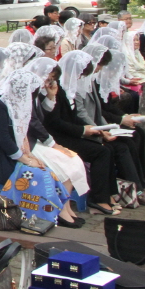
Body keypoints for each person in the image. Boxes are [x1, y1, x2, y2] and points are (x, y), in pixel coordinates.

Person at [0, 68, 82, 227]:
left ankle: (56, 212)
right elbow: (3, 139)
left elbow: (18, 134)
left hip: (4, 154)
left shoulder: (9, 100)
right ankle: (46, 215)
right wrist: (25, 159)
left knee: (46, 169)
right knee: (40, 174)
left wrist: (28, 156)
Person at [44, 51, 120, 214]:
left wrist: (95, 131)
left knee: (107, 148)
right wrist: (82, 131)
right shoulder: (56, 89)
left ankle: (108, 195)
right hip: (58, 138)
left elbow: (74, 117)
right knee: (100, 153)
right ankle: (98, 199)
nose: (80, 79)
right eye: (79, 75)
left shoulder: (67, 89)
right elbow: (54, 122)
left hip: (70, 133)